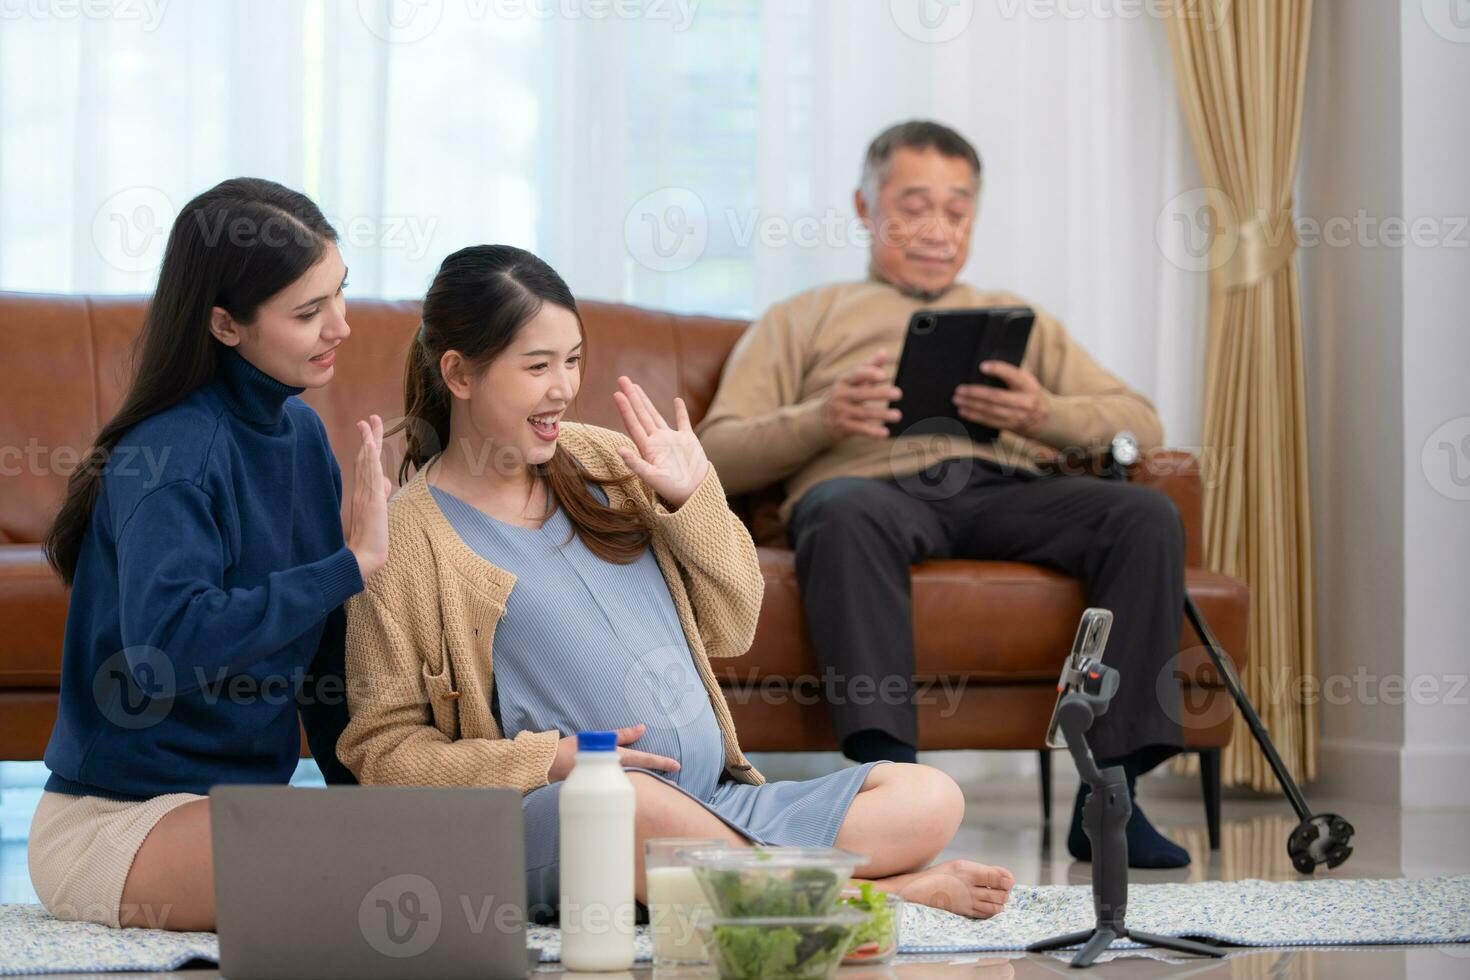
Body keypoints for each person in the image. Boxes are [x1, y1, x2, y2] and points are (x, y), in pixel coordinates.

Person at [338, 244, 1016, 921]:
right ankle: (877, 895)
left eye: (573, 360)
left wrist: (694, 498)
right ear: (458, 372)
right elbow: (384, 753)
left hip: (713, 801)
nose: (564, 388)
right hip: (567, 815)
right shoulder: (403, 539)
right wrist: (550, 762)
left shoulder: (606, 462)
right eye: (537, 366)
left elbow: (733, 623)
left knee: (930, 797)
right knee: (627, 803)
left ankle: (731, 881)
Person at [697, 120, 1192, 868]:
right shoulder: (805, 316)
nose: (936, 229)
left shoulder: (1015, 318)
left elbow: (1141, 421)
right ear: (864, 208)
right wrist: (821, 419)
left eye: (956, 211)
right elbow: (715, 454)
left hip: (1001, 489)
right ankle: (892, 782)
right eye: (913, 206)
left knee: (1145, 514)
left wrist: (1041, 414)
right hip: (867, 491)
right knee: (841, 512)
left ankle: (1110, 795)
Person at [28, 178, 392, 931]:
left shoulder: (303, 443)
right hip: (118, 819)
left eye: (340, 294)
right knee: (348, 884)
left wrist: (371, 807)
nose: (341, 327)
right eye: (308, 312)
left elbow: (324, 665)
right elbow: (167, 642)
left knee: (414, 857)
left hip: (233, 810)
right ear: (226, 325)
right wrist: (346, 565)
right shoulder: (170, 454)